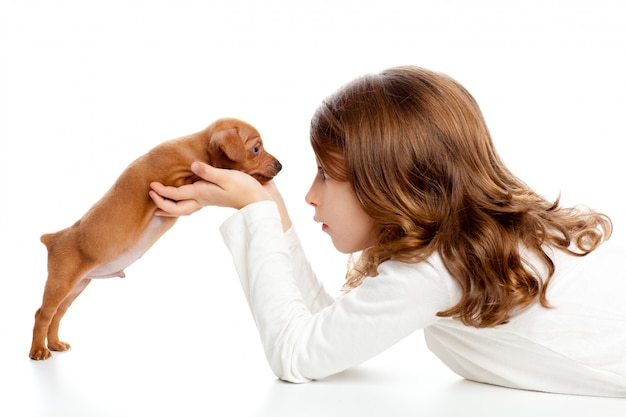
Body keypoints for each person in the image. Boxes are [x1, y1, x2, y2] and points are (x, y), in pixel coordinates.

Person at [148, 66, 626, 397]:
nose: (311, 194)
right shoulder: (459, 248)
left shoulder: (435, 269)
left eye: (327, 175)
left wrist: (255, 213)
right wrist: (270, 210)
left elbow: (297, 354)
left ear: (391, 184)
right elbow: (330, 335)